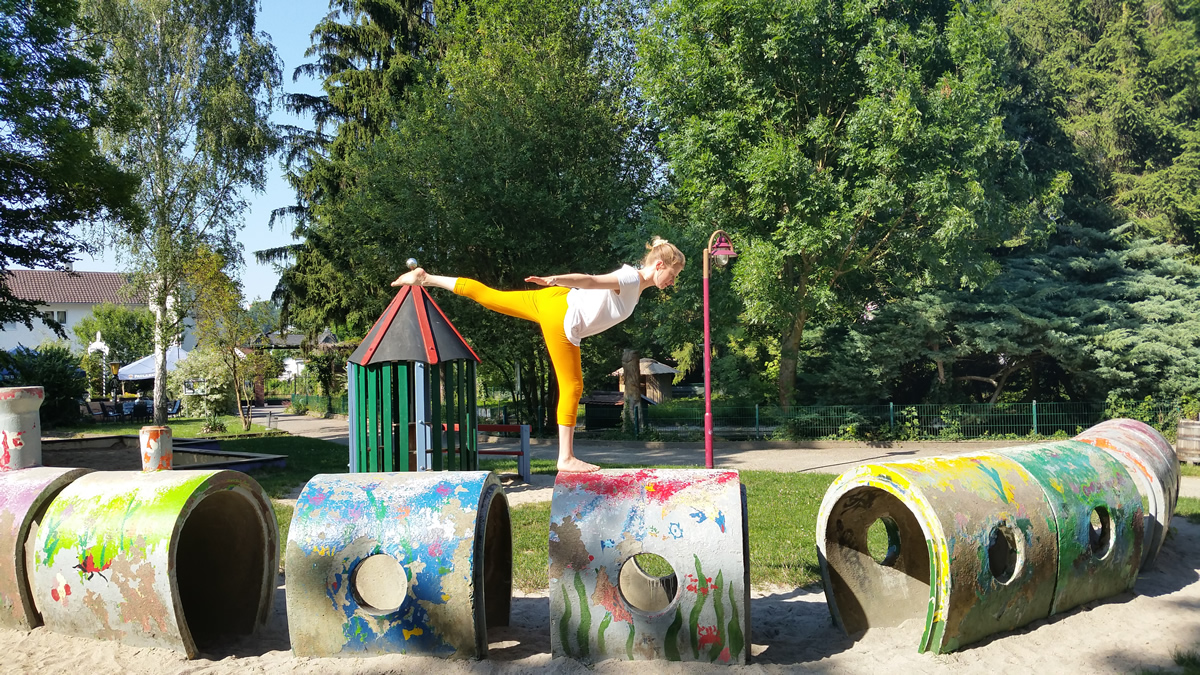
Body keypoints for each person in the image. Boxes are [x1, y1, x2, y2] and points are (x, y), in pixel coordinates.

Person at [391, 237, 686, 473]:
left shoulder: (635, 284)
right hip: (563, 315)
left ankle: (425, 277)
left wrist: (556, 284)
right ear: (660, 265)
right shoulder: (631, 279)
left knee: (492, 297)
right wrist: (557, 278)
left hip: (554, 300)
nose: (673, 282)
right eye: (673, 275)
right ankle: (566, 458)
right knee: (573, 386)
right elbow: (592, 281)